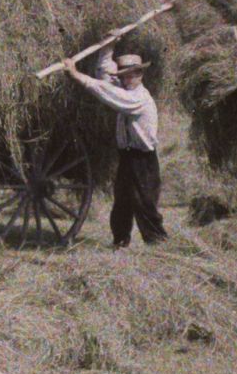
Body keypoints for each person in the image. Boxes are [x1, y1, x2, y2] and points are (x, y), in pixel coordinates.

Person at [63, 48, 166, 247]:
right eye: (123, 77)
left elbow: (105, 90)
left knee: (145, 203)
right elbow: (105, 76)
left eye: (130, 76)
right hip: (127, 157)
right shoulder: (126, 90)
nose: (127, 80)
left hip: (143, 159)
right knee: (122, 203)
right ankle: (120, 242)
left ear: (140, 74)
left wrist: (76, 74)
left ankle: (158, 244)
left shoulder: (138, 98)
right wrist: (107, 47)